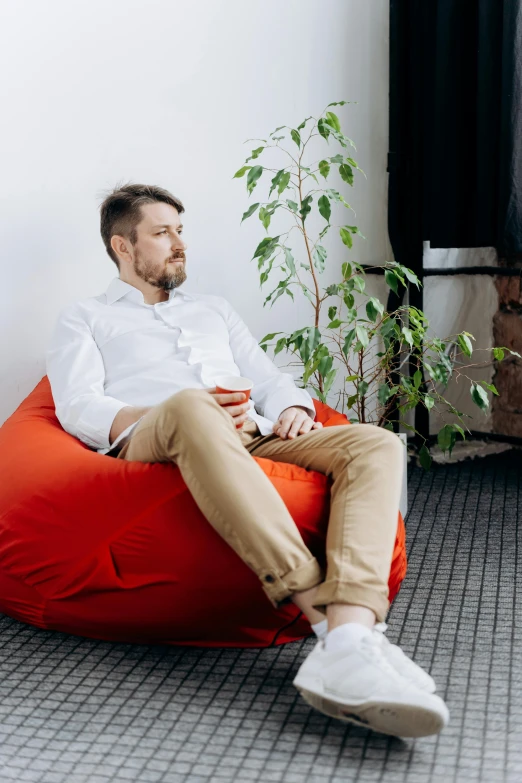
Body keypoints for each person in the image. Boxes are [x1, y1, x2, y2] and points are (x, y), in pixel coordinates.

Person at [46, 183, 449, 738]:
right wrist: (186, 411)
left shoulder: (214, 310)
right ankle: (318, 618)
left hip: (249, 434)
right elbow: (78, 405)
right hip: (157, 435)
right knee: (191, 405)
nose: (179, 244)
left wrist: (288, 409)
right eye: (162, 233)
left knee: (374, 442)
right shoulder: (85, 317)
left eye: (181, 231)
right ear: (122, 246)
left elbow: (269, 379)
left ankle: (352, 634)